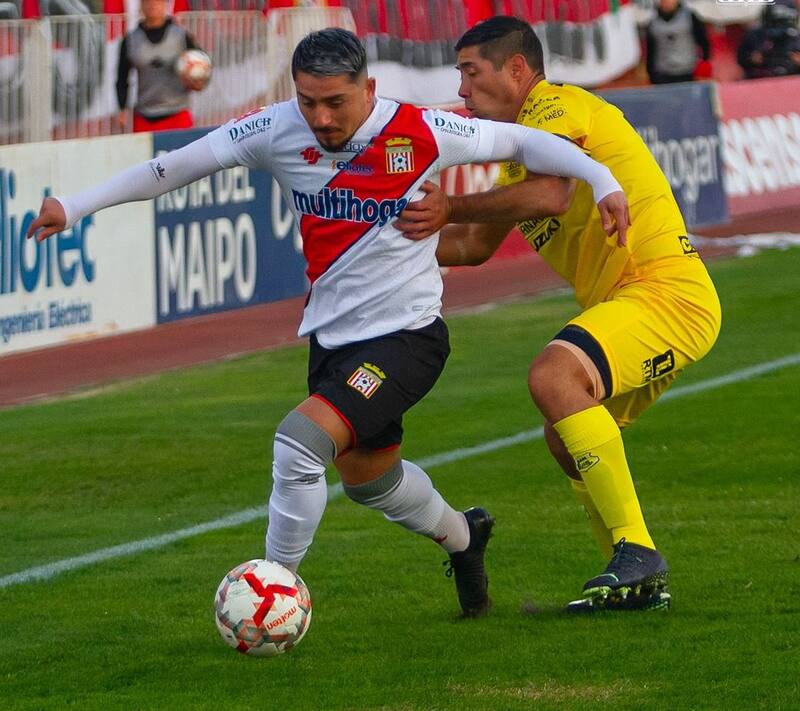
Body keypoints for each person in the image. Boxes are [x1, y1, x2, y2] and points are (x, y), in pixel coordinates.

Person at [28, 28, 629, 619]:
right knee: (370, 480)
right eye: (308, 100)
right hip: (333, 339)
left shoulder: (418, 129)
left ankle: (271, 594)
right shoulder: (274, 127)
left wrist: (602, 179)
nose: (319, 117)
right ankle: (464, 537)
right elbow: (171, 169)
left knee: (299, 443)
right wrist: (74, 206)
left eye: (335, 102)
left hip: (409, 337)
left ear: (368, 87)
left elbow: (525, 145)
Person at [397, 16, 721, 612]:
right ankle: (635, 577)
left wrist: (449, 206)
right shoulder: (521, 161)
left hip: (664, 291)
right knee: (564, 436)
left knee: (554, 376)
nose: (463, 91)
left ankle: (635, 550)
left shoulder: (555, 109)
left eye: (471, 72)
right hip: (639, 302)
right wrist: (375, 238)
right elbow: (469, 246)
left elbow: (552, 196)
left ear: (517, 70)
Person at [116, 0, 206, 133]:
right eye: (148, 2)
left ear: (165, 5)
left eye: (158, 2)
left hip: (177, 114)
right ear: (141, 6)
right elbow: (122, 76)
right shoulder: (131, 40)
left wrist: (198, 82)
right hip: (144, 116)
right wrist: (122, 108)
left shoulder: (181, 36)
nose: (153, 6)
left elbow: (203, 64)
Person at [645, 0, 711, 85]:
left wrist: (705, 61)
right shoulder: (652, 21)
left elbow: (703, 40)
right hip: (662, 73)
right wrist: (650, 72)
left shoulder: (690, 17)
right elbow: (651, 49)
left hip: (687, 70)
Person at [737, 0, 800, 79]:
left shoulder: (795, 37)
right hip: (760, 79)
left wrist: (796, 61)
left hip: (791, 79)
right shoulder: (755, 35)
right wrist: (752, 59)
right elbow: (741, 58)